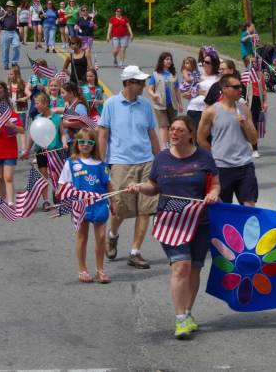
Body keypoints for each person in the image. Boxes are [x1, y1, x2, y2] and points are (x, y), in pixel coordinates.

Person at [127, 116, 220, 339]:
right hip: (171, 220)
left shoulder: (204, 157)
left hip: (200, 220)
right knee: (181, 266)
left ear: (190, 134)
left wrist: (213, 194)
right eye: (172, 130)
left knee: (195, 268)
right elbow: (154, 187)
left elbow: (215, 184)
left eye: (180, 130)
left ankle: (188, 313)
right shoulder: (161, 159)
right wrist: (140, 187)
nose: (174, 133)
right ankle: (180, 320)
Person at [97, 65, 160, 269]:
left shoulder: (145, 105)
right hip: (121, 162)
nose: (143, 86)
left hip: (146, 161)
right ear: (128, 83)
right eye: (140, 82)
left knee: (145, 209)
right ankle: (112, 235)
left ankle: (135, 251)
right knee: (120, 210)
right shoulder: (111, 104)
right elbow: (103, 134)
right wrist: (101, 162)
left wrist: (160, 160)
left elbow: (152, 133)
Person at [58, 128, 112, 283]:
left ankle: (100, 270)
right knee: (82, 237)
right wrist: (62, 195)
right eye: (82, 142)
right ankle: (82, 269)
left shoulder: (101, 164)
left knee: (101, 237)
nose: (85, 145)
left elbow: (108, 185)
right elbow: (62, 185)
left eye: (89, 142)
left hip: (99, 204)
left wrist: (113, 203)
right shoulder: (71, 163)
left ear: (94, 144)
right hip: (80, 205)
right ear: (77, 143)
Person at [197, 74, 258, 206]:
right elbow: (201, 139)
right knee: (224, 209)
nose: (240, 89)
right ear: (224, 89)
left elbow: (254, 140)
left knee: (249, 209)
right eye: (236, 87)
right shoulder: (211, 111)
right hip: (222, 168)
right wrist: (213, 155)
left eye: (240, 86)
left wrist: (246, 124)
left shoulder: (244, 109)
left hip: (245, 165)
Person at [22, 93, 66, 210]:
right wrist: (27, 150)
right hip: (41, 150)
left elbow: (62, 134)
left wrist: (65, 143)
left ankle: (58, 194)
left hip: (56, 150)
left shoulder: (57, 118)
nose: (35, 106)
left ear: (45, 103)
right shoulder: (37, 119)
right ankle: (46, 201)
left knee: (56, 176)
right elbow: (32, 136)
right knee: (43, 176)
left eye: (37, 103)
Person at [148, 52, 182, 147]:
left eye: (170, 59)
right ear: (162, 61)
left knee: (172, 126)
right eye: (167, 59)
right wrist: (153, 95)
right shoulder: (155, 74)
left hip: (172, 104)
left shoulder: (173, 74)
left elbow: (177, 90)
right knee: (163, 125)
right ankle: (165, 146)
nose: (169, 61)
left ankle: (172, 143)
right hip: (159, 104)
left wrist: (180, 104)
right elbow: (150, 89)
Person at [187, 48, 219, 127]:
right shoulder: (198, 75)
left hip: (206, 110)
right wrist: (188, 93)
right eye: (203, 61)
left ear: (213, 64)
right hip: (192, 108)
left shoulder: (218, 78)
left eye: (207, 62)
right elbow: (189, 90)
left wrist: (203, 93)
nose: (204, 63)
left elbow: (217, 96)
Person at [243, 55, 267, 158]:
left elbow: (264, 89)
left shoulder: (260, 74)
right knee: (248, 123)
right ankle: (252, 146)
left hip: (258, 100)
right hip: (249, 100)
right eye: (251, 62)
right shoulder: (245, 75)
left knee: (256, 123)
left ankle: (254, 147)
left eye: (255, 62)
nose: (254, 64)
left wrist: (265, 102)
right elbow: (242, 89)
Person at [0, 1, 20, 69]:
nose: (10, 8)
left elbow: (15, 24)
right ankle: (5, 64)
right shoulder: (2, 13)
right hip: (5, 32)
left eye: (11, 7)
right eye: (9, 7)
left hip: (13, 32)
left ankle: (14, 63)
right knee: (5, 49)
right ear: (6, 7)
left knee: (16, 46)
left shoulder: (14, 14)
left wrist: (18, 33)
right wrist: (3, 15)